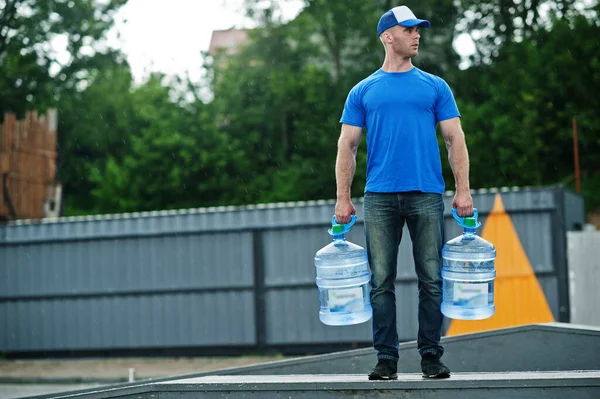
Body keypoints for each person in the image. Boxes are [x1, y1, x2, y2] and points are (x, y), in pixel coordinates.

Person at [334, 5, 474, 380]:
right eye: (408, 29)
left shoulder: (435, 86)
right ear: (387, 36)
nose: (417, 35)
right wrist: (342, 198)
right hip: (379, 197)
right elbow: (346, 146)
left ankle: (431, 355)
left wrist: (463, 190)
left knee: (432, 278)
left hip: (427, 193)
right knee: (381, 282)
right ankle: (386, 359)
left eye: (418, 29)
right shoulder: (363, 90)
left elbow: (453, 138)